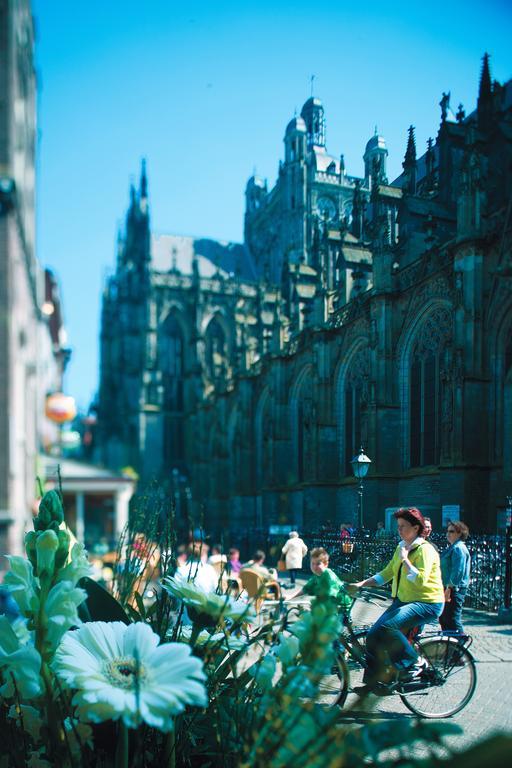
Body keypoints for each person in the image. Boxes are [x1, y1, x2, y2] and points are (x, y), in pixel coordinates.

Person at [350, 507, 445, 694]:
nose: (399, 530)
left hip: (427, 603)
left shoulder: (425, 550)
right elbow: (387, 573)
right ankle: (376, 682)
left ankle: (414, 663)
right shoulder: (401, 547)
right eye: (398, 526)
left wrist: (406, 561)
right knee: (373, 636)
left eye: (403, 526)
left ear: (416, 528)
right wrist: (361, 584)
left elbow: (420, 579)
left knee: (388, 628)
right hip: (405, 601)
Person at [293, 547, 352, 614]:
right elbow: (305, 589)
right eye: (313, 563)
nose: (315, 567)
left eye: (318, 564)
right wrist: (289, 597)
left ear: (326, 564)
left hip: (341, 608)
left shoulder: (329, 577)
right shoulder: (317, 575)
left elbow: (330, 597)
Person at [439, 521, 471, 634]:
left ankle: (459, 646)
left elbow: (458, 571)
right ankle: (450, 645)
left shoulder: (459, 548)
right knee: (444, 618)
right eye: (447, 531)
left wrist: (449, 588)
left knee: (452, 619)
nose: (448, 534)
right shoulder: (452, 547)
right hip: (448, 588)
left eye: (451, 531)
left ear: (459, 533)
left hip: (454, 589)